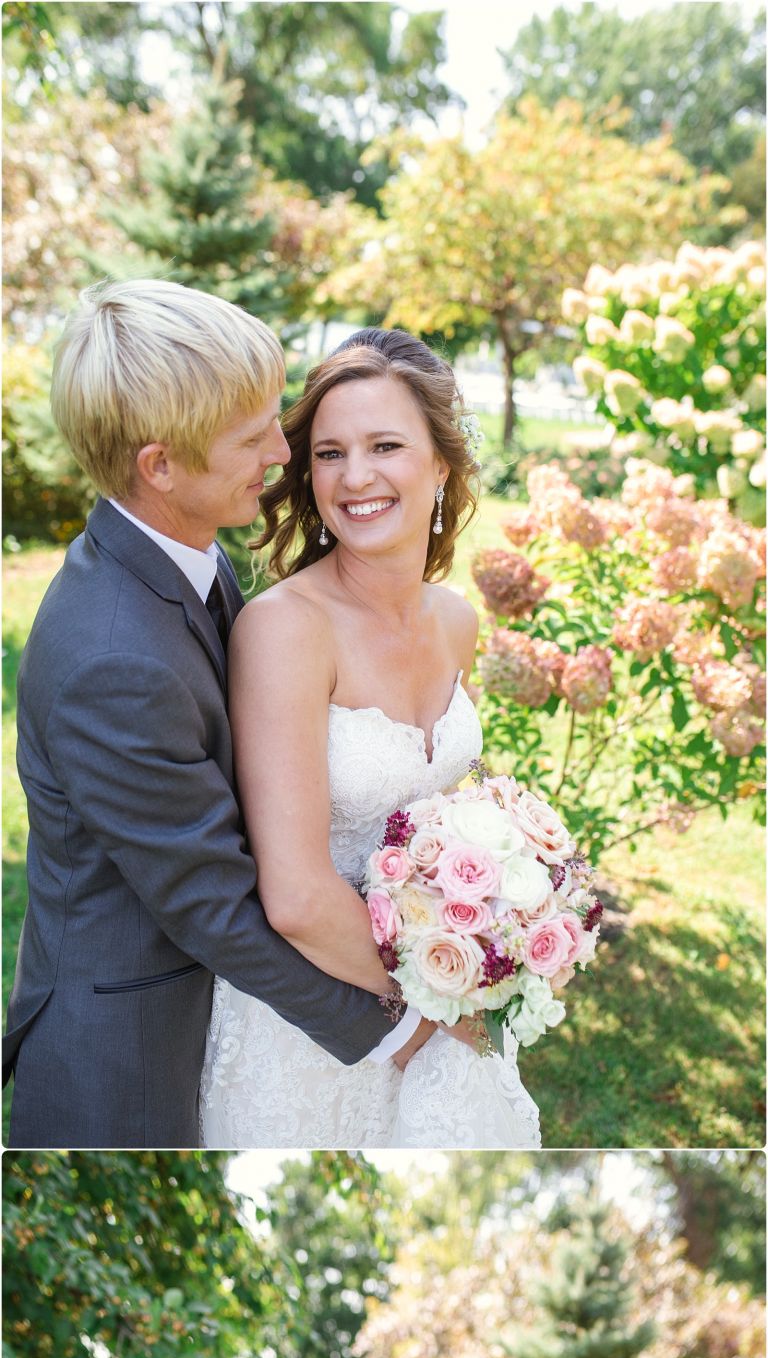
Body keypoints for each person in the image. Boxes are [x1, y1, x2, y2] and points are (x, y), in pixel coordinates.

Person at [3, 282, 415, 1148]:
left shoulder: (189, 555)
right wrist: (406, 1014)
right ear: (160, 466)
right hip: (124, 1063)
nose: (283, 447)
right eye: (253, 435)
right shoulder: (112, 656)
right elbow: (213, 905)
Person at [200, 329, 543, 1149]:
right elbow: (294, 896)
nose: (354, 477)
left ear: (441, 465)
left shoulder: (457, 621)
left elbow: (440, 820)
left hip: (444, 1008)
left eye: (385, 445)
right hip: (314, 1030)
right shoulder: (285, 630)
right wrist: (444, 998)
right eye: (328, 452)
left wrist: (506, 919)